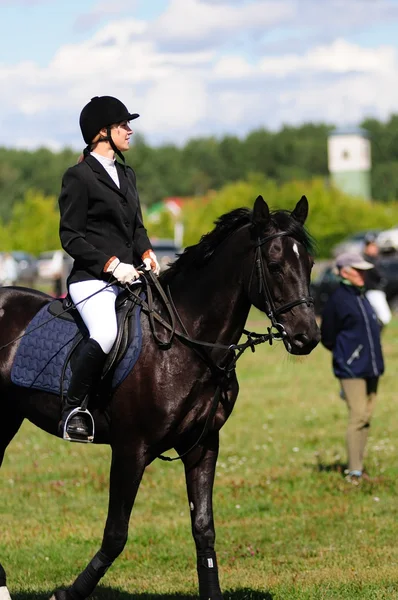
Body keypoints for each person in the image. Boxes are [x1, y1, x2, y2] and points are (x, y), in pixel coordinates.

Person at [58, 95, 160, 442]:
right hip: (92, 280)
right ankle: (74, 408)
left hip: (131, 275)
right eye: (123, 125)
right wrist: (111, 264)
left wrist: (146, 251)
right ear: (102, 133)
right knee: (106, 334)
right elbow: (69, 236)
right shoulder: (79, 177)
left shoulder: (127, 175)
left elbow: (136, 228)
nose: (130, 131)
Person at [321, 252, 385, 484]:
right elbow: (327, 337)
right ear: (345, 271)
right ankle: (354, 471)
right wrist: (346, 357)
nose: (362, 274)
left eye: (363, 270)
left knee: (366, 417)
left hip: (371, 367)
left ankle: (359, 465)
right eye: (357, 270)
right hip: (351, 370)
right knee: (358, 416)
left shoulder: (362, 296)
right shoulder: (338, 300)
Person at [362, 233, 392, 328]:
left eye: (374, 245)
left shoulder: (377, 259)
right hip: (372, 291)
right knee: (384, 317)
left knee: (381, 317)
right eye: (370, 246)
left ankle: (373, 336)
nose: (373, 248)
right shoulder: (366, 260)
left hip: (378, 291)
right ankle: (373, 336)